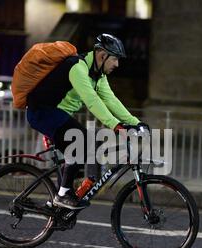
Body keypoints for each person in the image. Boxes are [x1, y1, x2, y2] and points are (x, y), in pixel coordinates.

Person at [26, 33, 145, 210]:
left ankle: (58, 207)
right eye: (115, 59)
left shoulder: (98, 75)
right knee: (81, 140)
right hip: (42, 112)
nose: (117, 64)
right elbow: (92, 100)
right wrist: (116, 125)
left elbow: (110, 100)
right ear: (102, 55)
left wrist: (136, 123)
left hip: (59, 115)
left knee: (86, 146)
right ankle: (63, 195)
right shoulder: (77, 67)